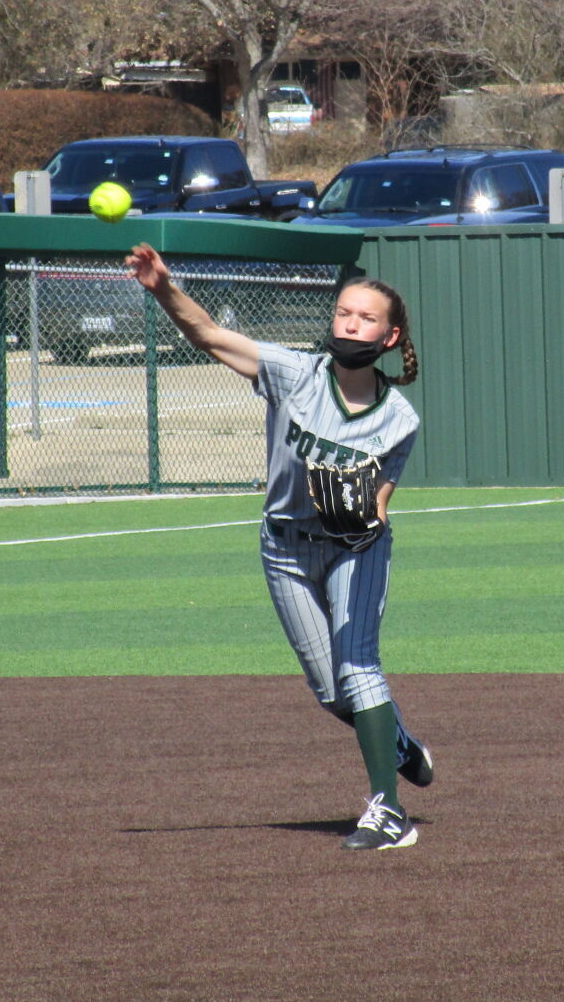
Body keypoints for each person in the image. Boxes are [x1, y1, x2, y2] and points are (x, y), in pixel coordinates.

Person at [123, 243, 434, 851]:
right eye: (344, 312)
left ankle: (389, 812)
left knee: (359, 665)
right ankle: (397, 743)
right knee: (333, 693)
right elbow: (209, 335)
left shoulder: (400, 419)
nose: (351, 324)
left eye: (366, 318)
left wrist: (362, 516)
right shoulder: (295, 374)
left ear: (391, 336)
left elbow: (378, 505)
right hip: (285, 549)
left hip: (355, 550)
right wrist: (162, 287)